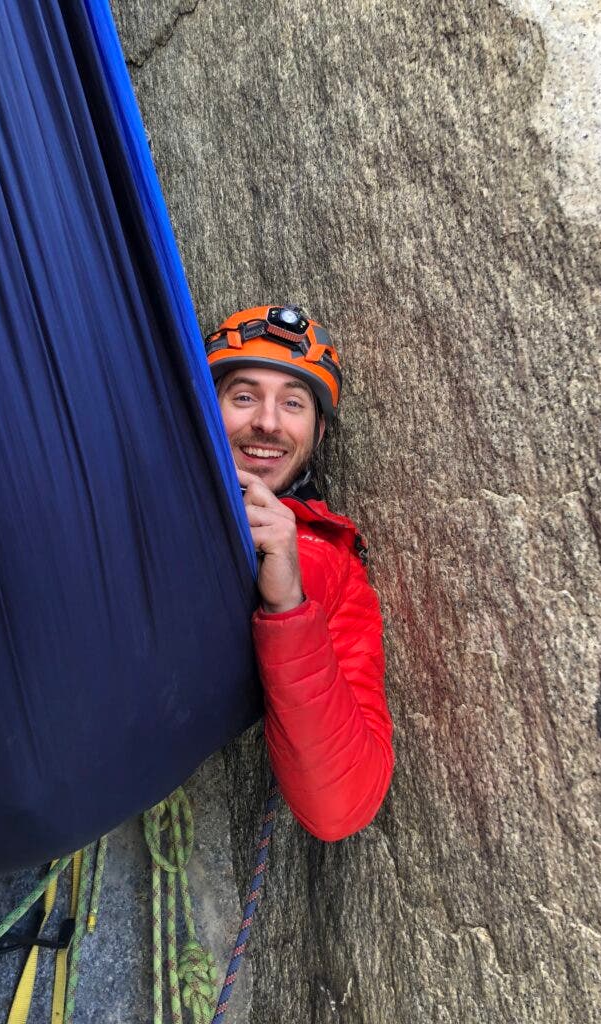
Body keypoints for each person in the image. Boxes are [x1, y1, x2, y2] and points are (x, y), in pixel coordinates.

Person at [205, 305, 393, 841]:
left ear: (318, 431)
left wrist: (287, 607)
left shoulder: (331, 569)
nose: (267, 421)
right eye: (244, 397)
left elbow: (342, 805)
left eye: (293, 403)